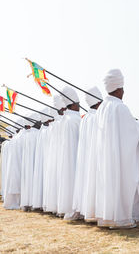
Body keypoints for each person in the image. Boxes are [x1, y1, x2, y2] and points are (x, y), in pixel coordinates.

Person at [95, 69, 139, 229]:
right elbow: (132, 133)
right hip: (120, 158)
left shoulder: (102, 108)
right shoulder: (120, 108)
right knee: (122, 184)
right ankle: (122, 219)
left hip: (107, 157)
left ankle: (109, 217)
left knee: (109, 185)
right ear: (119, 89)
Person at [73, 86, 103, 221]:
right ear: (98, 102)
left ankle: (90, 211)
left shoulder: (85, 118)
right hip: (97, 158)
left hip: (87, 159)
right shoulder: (97, 117)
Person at [57, 86, 82, 220]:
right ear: (72, 105)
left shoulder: (65, 120)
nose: (79, 107)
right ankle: (75, 209)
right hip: (75, 156)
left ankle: (70, 210)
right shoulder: (75, 119)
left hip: (67, 157)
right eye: (78, 104)